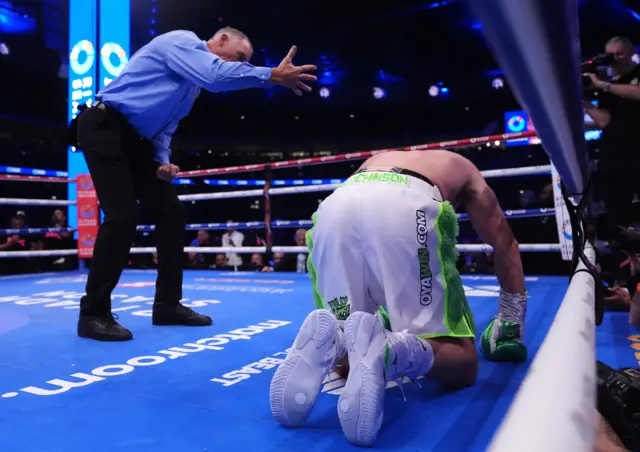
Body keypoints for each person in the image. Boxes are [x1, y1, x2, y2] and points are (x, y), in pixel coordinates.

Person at [72, 27, 317, 341]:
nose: (240, 65)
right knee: (123, 215)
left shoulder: (191, 88)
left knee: (171, 213)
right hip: (103, 126)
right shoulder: (181, 41)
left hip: (137, 141)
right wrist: (270, 74)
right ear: (222, 40)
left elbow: (165, 126)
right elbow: (216, 75)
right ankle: (92, 313)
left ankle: (167, 306)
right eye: (240, 57)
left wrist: (161, 161)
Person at [269, 150, 527, 447]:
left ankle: (333, 341)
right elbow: (503, 241)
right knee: (463, 363)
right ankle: (392, 350)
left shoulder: (378, 157)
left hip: (335, 206)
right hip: (407, 203)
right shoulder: (465, 168)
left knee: (351, 344)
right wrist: (512, 318)